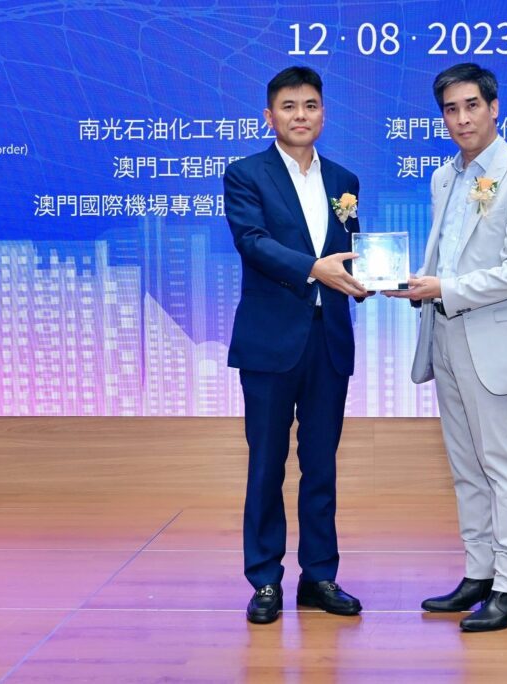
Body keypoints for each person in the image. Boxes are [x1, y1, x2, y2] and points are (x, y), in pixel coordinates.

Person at [387, 63, 507, 632]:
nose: (461, 119)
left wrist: (446, 289)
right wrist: (418, 285)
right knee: (465, 464)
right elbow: (449, 255)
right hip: (445, 331)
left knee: (502, 464)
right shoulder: (444, 177)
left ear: (494, 107)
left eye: (471, 106)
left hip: (493, 337)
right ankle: (479, 573)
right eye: (450, 109)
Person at [225, 66, 368, 624]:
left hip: (327, 342)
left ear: (323, 113)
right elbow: (252, 242)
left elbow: (352, 253)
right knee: (266, 463)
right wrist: (315, 269)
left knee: (321, 465)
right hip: (269, 343)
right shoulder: (245, 174)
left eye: (310, 105)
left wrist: (371, 280)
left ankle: (320, 576)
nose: (300, 115)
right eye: (289, 106)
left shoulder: (345, 180)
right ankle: (265, 579)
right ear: (270, 116)